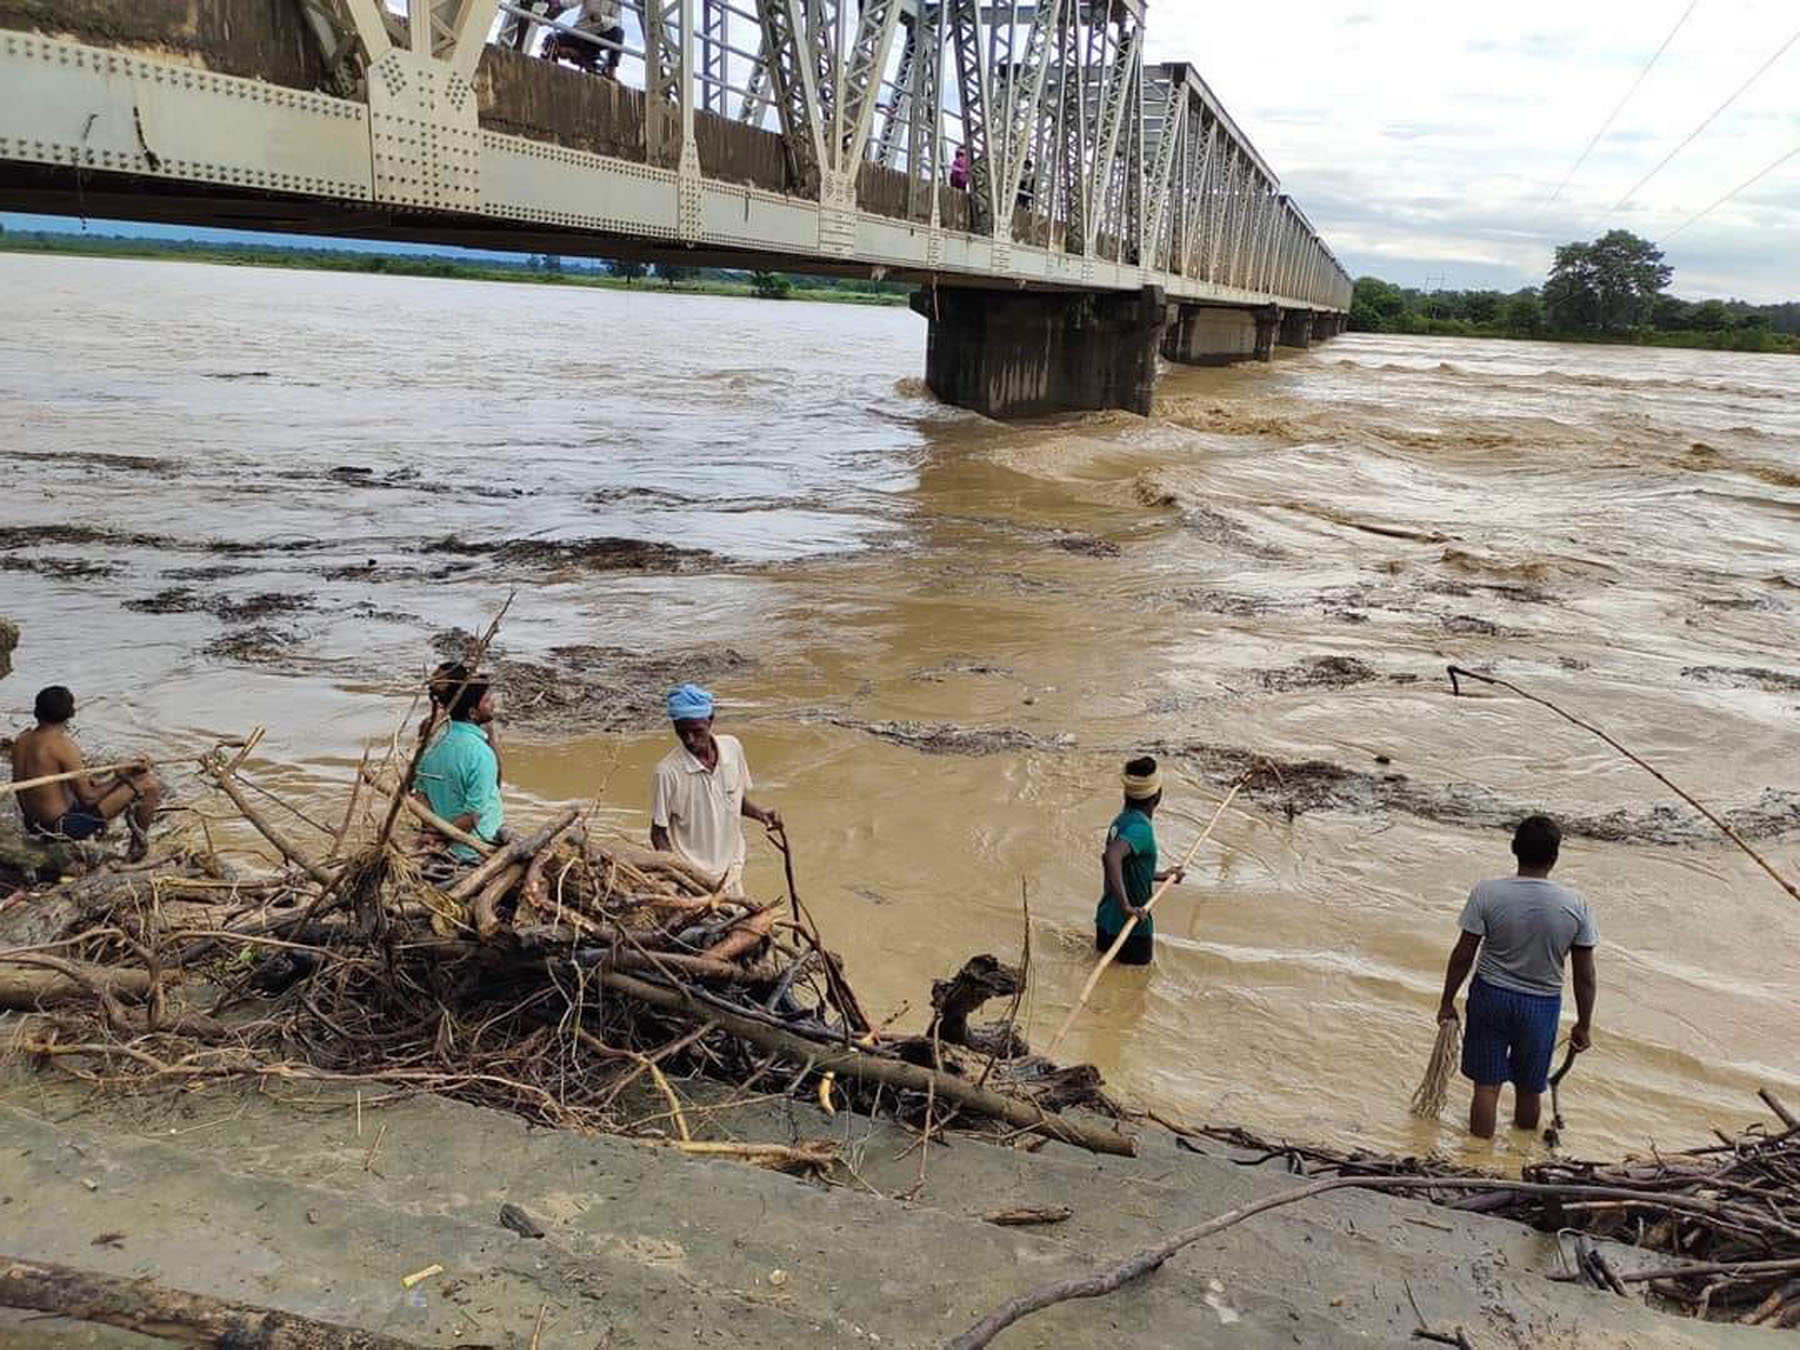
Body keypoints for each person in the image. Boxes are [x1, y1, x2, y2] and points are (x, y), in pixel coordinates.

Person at [1435, 815, 1598, 1139]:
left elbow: (1462, 955)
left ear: (1514, 849)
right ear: (1555, 856)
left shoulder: (1487, 892)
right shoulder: (1576, 905)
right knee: (1529, 1089)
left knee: (1486, 1086)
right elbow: (1585, 975)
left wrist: (1447, 1001)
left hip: (1490, 997)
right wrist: (1583, 1023)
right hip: (1541, 1006)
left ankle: (1477, 1162)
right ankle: (1518, 1158)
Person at [650, 683, 779, 899]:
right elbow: (658, 833)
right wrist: (681, 877)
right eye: (682, 732)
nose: (690, 740)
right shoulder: (667, 773)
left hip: (732, 869)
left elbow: (734, 798)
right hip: (695, 882)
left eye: (696, 731)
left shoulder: (733, 748)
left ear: (710, 720)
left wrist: (761, 814)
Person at [9, 686, 161, 861]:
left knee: (112, 782)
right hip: (62, 828)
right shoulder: (62, 746)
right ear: (71, 713)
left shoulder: (21, 741)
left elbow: (76, 785)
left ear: (37, 711)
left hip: (34, 825)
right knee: (149, 784)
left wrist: (123, 773)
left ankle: (105, 837)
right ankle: (136, 852)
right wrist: (119, 777)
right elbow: (88, 798)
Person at [1094, 755, 1184, 966]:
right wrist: (1127, 906)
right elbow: (1111, 857)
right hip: (1132, 929)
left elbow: (1125, 867)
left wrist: (1162, 875)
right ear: (1157, 795)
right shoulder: (1141, 829)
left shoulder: (1121, 820)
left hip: (1106, 922)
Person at [413, 675, 504, 862]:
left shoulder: (433, 747)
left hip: (441, 847)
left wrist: (432, 832)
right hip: (477, 849)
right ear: (472, 713)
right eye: (487, 700)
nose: (493, 703)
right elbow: (473, 817)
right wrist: (442, 837)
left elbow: (420, 797)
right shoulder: (481, 754)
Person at [545, 0, 623, 76]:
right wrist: (559, 2)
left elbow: (616, 21)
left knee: (618, 33)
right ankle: (550, 70)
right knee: (551, 39)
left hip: (596, 39)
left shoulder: (616, 2)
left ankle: (610, 71)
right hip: (579, 33)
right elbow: (573, 1)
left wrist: (601, 18)